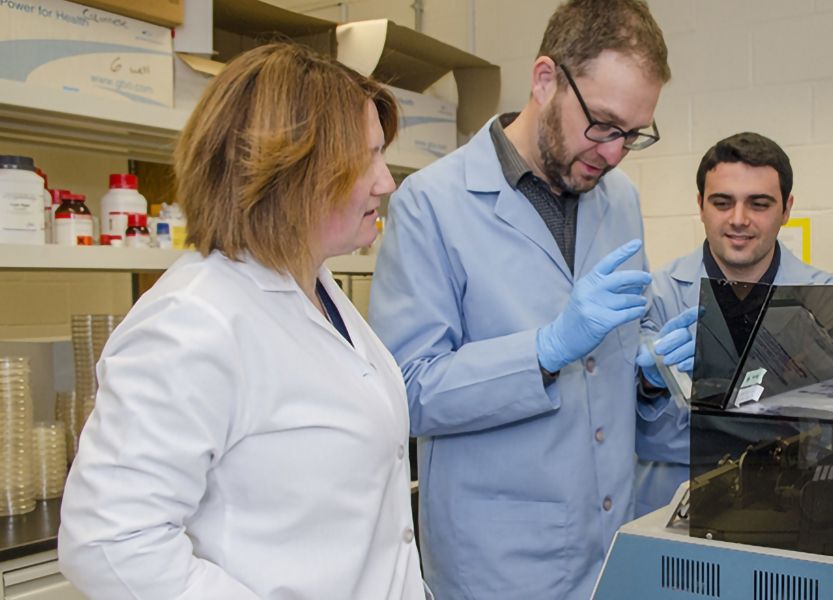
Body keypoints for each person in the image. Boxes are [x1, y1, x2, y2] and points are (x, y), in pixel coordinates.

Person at [58, 43, 427, 600]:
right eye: (366, 158)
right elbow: (108, 541)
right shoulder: (194, 320)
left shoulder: (316, 285)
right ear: (290, 168)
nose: (386, 182)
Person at [368, 1, 692, 597]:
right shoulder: (431, 204)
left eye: (633, 134)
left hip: (609, 544)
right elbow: (409, 392)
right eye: (602, 123)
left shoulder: (617, 199)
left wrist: (648, 376)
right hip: (498, 563)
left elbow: (617, 350)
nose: (615, 151)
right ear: (546, 79)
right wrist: (544, 350)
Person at [633, 132, 833, 517]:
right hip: (670, 500)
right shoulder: (657, 292)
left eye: (758, 204)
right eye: (722, 202)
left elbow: (828, 426)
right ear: (701, 206)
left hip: (784, 498)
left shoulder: (822, 294)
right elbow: (636, 426)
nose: (739, 219)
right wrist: (651, 382)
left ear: (786, 208)